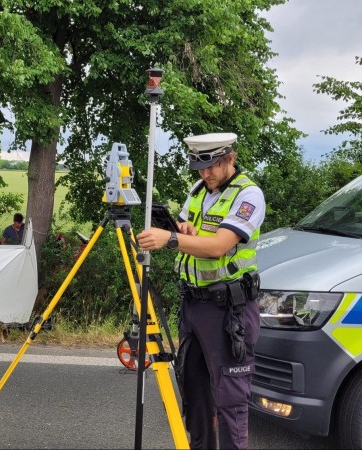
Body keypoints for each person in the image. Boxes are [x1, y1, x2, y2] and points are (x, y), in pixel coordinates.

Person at [136, 132, 265, 450]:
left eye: (212, 166)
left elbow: (220, 245)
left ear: (230, 159)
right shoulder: (198, 190)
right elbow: (187, 228)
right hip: (193, 305)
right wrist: (182, 230)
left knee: (230, 401)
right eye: (199, 166)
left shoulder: (248, 196)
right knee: (195, 394)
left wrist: (171, 239)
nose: (205, 174)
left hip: (228, 310)